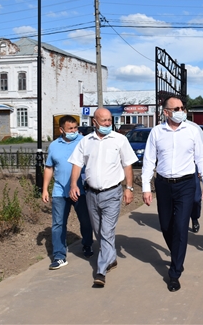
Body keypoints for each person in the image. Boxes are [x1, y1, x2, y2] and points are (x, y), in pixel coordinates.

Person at [141, 96, 203, 292]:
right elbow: (148, 161)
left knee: (181, 226)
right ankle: (177, 253)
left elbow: (201, 158)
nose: (182, 111)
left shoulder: (192, 131)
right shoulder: (156, 132)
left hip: (186, 184)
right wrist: (146, 187)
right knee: (166, 226)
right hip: (163, 184)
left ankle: (174, 272)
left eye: (183, 108)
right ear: (166, 112)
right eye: (177, 108)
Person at [68, 108, 138, 287]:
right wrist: (74, 184)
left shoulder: (119, 140)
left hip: (112, 193)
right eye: (104, 120)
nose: (108, 123)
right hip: (91, 193)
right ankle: (111, 258)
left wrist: (128, 188)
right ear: (94, 122)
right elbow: (77, 163)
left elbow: (127, 165)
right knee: (98, 231)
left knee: (106, 231)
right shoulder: (85, 141)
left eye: (109, 120)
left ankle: (100, 271)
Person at [42, 115, 94, 270]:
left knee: (85, 221)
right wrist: (45, 189)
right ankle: (59, 255)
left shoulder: (83, 142)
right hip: (59, 191)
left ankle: (87, 244)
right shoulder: (54, 145)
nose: (74, 131)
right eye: (70, 128)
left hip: (81, 191)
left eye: (75, 128)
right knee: (58, 224)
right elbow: (49, 167)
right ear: (61, 130)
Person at [185, 119, 203, 233]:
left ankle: (194, 218)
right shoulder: (163, 129)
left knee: (195, 198)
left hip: (193, 167)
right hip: (176, 170)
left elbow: (201, 150)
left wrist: (201, 169)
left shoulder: (194, 128)